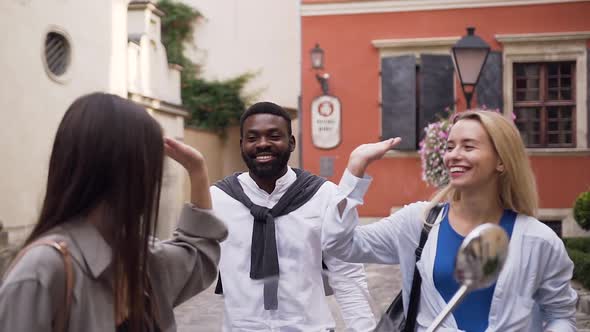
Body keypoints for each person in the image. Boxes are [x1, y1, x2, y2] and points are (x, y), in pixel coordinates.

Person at [322, 110, 577, 331]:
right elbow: (340, 245)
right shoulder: (418, 223)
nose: (453, 155)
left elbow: (561, 315)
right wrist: (355, 169)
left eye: (468, 146)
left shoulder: (538, 240)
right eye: (450, 146)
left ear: (501, 161)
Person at [0, 92, 228, 332]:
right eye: (150, 164)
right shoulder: (43, 270)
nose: (154, 179)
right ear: (123, 168)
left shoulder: (139, 258)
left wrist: (197, 171)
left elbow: (198, 257)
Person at [211, 102, 376, 331]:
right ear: (242, 145)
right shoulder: (218, 200)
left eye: (274, 136)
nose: (263, 144)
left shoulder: (323, 195)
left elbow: (347, 274)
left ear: (291, 143)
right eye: (252, 138)